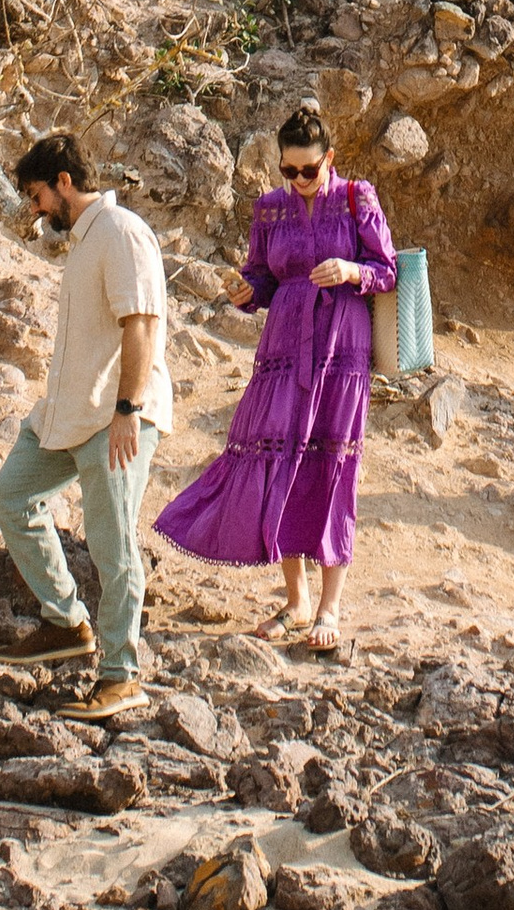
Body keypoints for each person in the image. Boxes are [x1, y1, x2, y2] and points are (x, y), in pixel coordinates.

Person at [153, 105, 395, 657]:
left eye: (307, 170)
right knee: (279, 458)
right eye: (288, 171)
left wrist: (352, 271)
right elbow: (260, 277)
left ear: (328, 159)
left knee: (335, 464)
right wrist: (245, 294)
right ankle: (296, 600)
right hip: (284, 349)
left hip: (342, 350)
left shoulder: (358, 198)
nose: (298, 182)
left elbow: (388, 269)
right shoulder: (269, 210)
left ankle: (330, 606)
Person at [0, 130, 173, 722]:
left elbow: (140, 324)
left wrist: (128, 412)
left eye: (38, 195)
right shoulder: (88, 240)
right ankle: (67, 623)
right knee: (12, 497)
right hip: (68, 415)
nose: (37, 210)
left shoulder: (120, 232)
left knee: (113, 542)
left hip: (114, 417)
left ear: (64, 182)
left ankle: (121, 676)